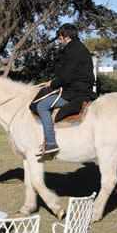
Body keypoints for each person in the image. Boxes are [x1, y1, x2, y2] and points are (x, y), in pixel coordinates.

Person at [32, 23, 96, 157]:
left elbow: (66, 77)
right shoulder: (79, 48)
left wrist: (53, 83)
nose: (60, 43)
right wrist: (54, 81)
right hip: (79, 88)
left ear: (66, 37)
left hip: (75, 92)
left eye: (60, 39)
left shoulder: (72, 51)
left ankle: (50, 143)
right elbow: (68, 74)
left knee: (42, 106)